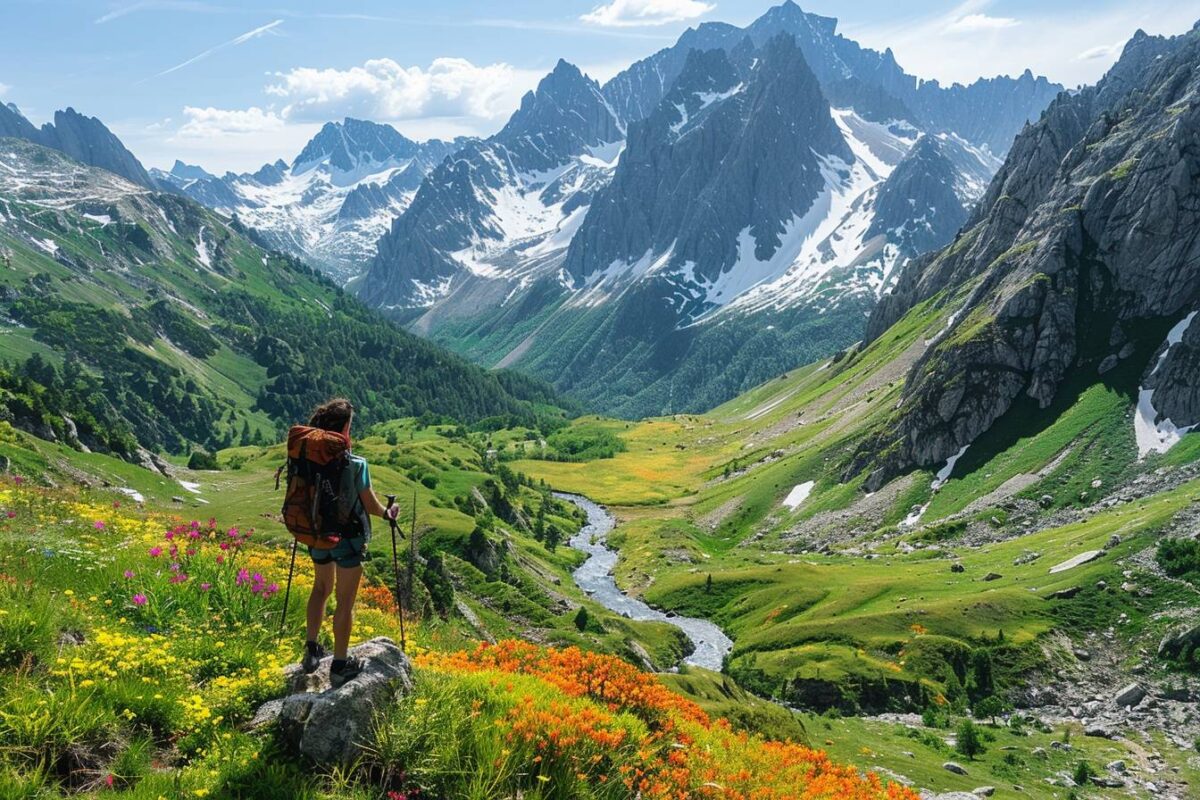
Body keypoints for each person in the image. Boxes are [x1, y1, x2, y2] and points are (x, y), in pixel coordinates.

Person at [298, 398, 398, 687]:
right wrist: (388, 514)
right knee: (345, 601)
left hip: (317, 534)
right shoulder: (356, 464)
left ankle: (312, 649)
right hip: (348, 538)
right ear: (344, 429)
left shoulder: (307, 458)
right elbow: (369, 505)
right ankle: (340, 664)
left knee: (320, 589)